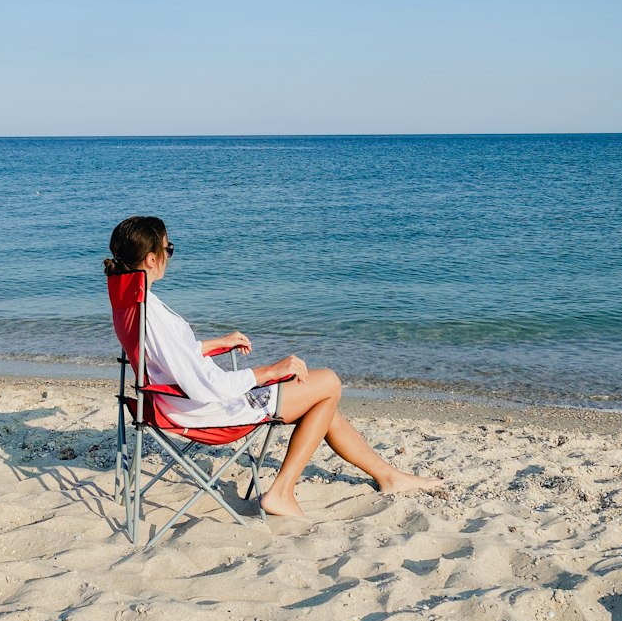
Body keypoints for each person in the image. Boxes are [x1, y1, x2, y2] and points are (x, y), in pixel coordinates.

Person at [104, 215, 445, 518]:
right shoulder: (151, 312)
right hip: (202, 409)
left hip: (170, 401)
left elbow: (169, 357)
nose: (170, 256)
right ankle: (281, 492)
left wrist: (218, 343)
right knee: (329, 383)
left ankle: (387, 477)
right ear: (151, 259)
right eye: (169, 249)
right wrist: (270, 371)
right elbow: (202, 383)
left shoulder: (133, 301)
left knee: (323, 403)